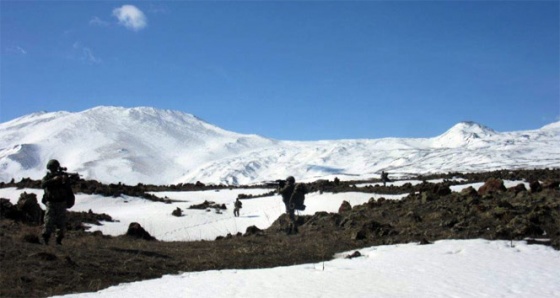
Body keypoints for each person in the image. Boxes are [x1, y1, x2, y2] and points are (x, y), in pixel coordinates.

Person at [41, 159, 74, 245]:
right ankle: (46, 238)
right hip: (51, 203)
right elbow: (43, 184)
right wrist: (54, 180)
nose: (54, 170)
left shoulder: (62, 177)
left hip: (61, 202)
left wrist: (65, 180)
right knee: (48, 221)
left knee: (61, 223)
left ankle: (58, 240)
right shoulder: (47, 178)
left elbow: (68, 189)